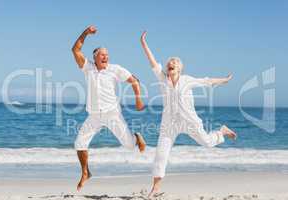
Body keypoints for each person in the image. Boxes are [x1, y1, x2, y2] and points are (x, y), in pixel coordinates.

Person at [140, 31, 237, 197]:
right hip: (169, 124)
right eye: (169, 62)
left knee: (207, 142)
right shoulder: (162, 78)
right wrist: (143, 43)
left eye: (175, 63)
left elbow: (207, 81)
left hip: (189, 121)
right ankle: (155, 187)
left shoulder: (187, 80)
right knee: (161, 154)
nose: (171, 63)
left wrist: (224, 80)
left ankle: (221, 131)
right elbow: (152, 61)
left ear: (180, 68)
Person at [72, 25, 146, 191]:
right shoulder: (88, 68)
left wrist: (138, 101)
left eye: (107, 55)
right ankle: (85, 173)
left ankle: (136, 136)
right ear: (95, 57)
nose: (106, 57)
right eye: (102, 55)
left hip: (113, 114)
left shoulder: (115, 69)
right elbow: (75, 50)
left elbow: (135, 80)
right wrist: (85, 33)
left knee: (128, 146)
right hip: (93, 116)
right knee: (79, 144)